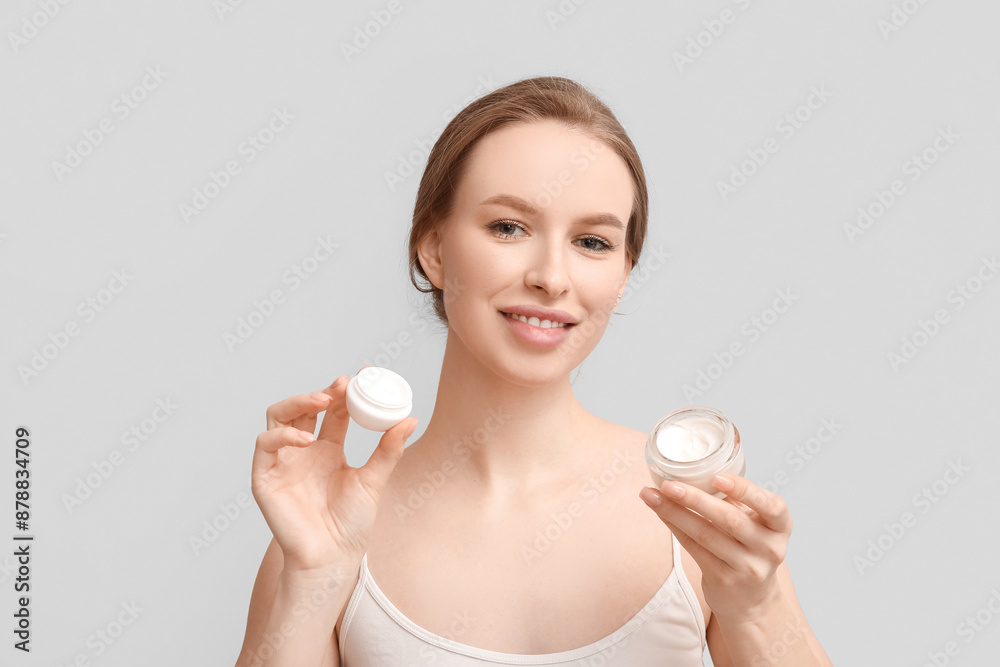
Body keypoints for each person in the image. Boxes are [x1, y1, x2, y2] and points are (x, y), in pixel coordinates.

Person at [235, 75, 834, 666]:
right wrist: (312, 579)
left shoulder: (697, 514)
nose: (552, 276)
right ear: (435, 250)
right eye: (508, 227)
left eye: (592, 242)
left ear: (624, 273)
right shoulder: (337, 526)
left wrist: (757, 609)